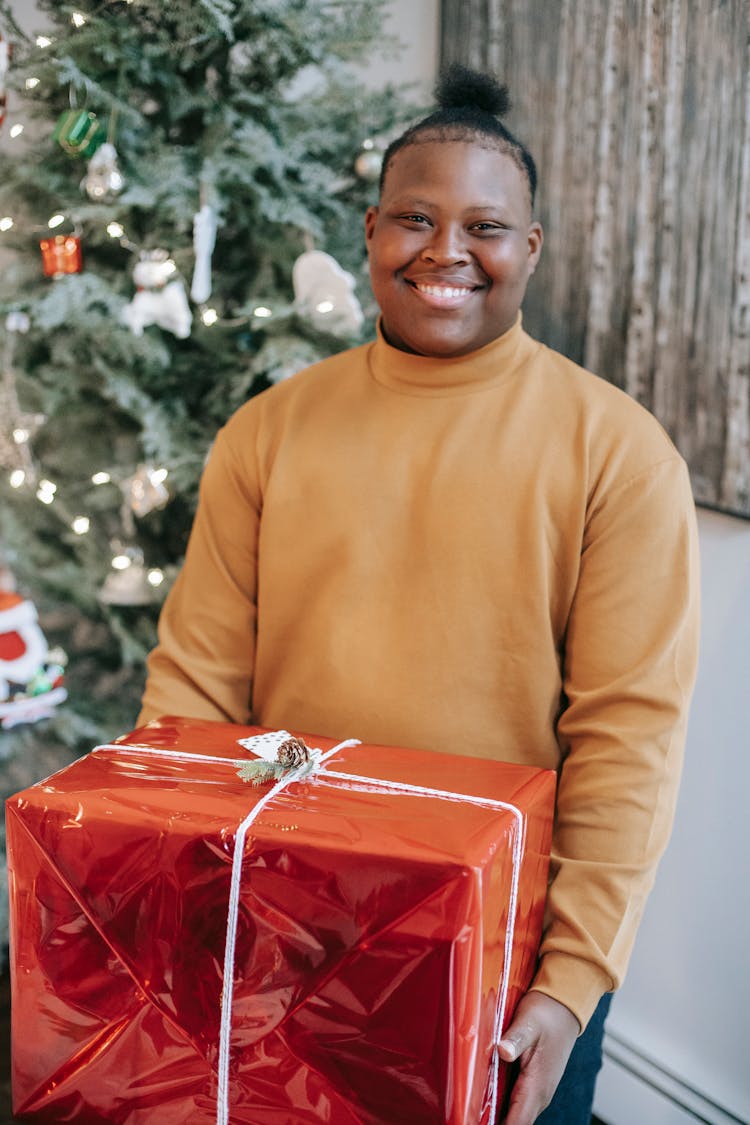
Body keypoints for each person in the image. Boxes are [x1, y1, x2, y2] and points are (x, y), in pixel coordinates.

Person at [138, 65, 700, 1124]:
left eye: (486, 226)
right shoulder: (270, 430)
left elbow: (629, 738)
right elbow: (195, 685)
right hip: (287, 911)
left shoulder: (619, 455)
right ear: (370, 230)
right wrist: (182, 884)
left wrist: (571, 981)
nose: (446, 251)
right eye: (416, 218)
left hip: (507, 940)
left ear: (529, 249)